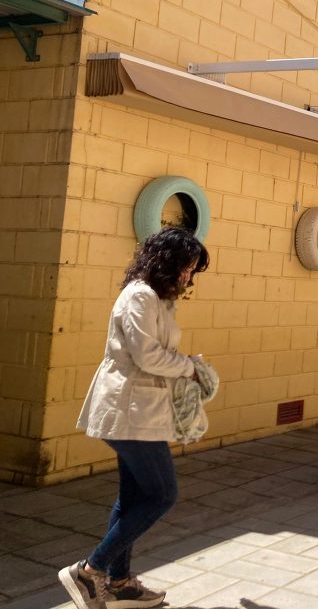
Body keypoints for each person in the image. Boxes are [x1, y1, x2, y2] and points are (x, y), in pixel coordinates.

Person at [58, 227, 210, 609]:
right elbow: (147, 355)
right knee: (161, 494)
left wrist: (185, 367)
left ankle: (120, 583)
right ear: (168, 262)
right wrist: (189, 368)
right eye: (187, 267)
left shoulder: (157, 299)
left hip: (139, 411)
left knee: (133, 498)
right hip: (128, 411)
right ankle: (90, 571)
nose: (189, 277)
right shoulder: (140, 296)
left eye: (192, 270)